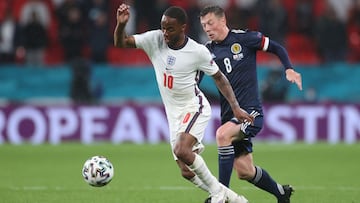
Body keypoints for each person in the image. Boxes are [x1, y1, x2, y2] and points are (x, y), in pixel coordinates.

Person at [114, 4, 254, 203]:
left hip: (194, 107)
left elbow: (220, 78)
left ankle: (217, 195)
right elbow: (121, 43)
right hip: (173, 114)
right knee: (186, 171)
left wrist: (235, 107)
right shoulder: (155, 40)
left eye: (170, 28)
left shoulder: (197, 52)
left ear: (182, 27)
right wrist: (121, 26)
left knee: (182, 150)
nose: (165, 32)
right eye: (163, 27)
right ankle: (236, 200)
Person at [199, 5, 303, 203]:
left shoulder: (244, 39)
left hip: (251, 114)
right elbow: (196, 79)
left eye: (210, 23)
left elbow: (277, 47)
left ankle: (221, 196)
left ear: (222, 21)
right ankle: (281, 193)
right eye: (204, 25)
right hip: (229, 115)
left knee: (222, 135)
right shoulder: (206, 51)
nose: (207, 28)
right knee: (245, 171)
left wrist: (289, 69)